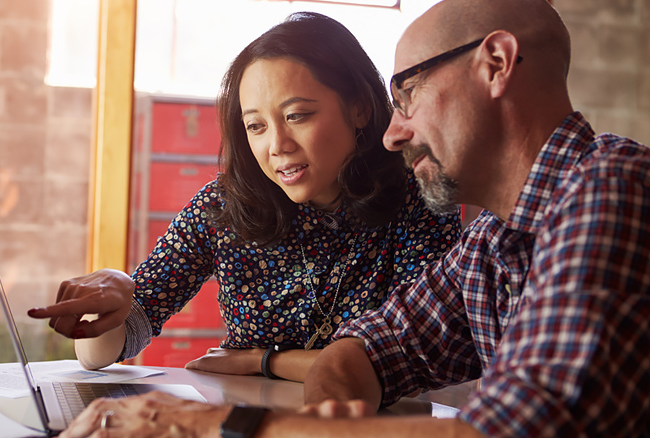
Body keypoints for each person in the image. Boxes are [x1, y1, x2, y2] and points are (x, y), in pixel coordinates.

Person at [54, 0, 650, 437]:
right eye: (256, 125)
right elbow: (372, 348)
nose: (395, 132)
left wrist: (217, 423)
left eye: (409, 94)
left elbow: (509, 431)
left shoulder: (610, 188)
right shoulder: (495, 239)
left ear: (496, 63)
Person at [28, 11, 460, 383]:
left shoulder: (418, 199)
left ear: (359, 108)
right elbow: (104, 353)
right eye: (256, 126)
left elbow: (413, 357)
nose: (278, 145)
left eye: (297, 116)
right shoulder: (224, 206)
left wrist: (265, 362)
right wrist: (117, 296)